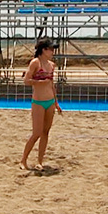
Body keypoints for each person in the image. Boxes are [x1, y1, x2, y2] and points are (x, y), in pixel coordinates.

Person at [20, 37, 62, 171]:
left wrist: (56, 102)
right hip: (38, 101)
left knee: (45, 132)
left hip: (49, 101)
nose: (53, 51)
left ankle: (39, 161)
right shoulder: (35, 63)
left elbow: (52, 84)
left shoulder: (51, 65)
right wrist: (38, 82)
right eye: (51, 49)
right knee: (36, 132)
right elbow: (26, 80)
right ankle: (23, 160)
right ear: (44, 50)